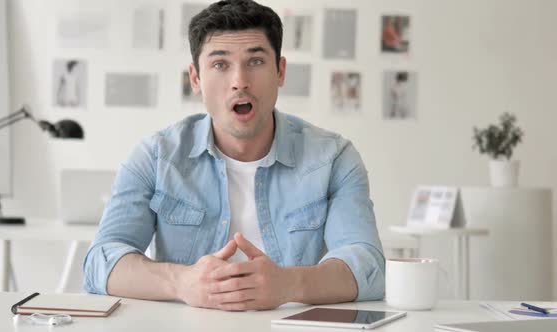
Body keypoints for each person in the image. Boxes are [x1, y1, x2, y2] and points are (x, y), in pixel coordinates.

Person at [83, 0, 385, 311]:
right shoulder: (156, 156)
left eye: (255, 61)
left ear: (280, 71)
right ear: (196, 78)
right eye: (220, 64)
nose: (239, 81)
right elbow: (101, 261)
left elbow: (367, 266)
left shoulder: (334, 157)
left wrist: (290, 284)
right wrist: (182, 281)